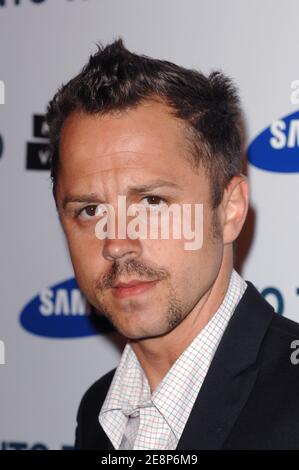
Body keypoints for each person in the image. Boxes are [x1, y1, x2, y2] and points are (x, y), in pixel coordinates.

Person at [45, 39, 299, 450]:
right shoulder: (97, 413)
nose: (117, 243)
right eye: (90, 210)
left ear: (229, 209)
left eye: (151, 202)